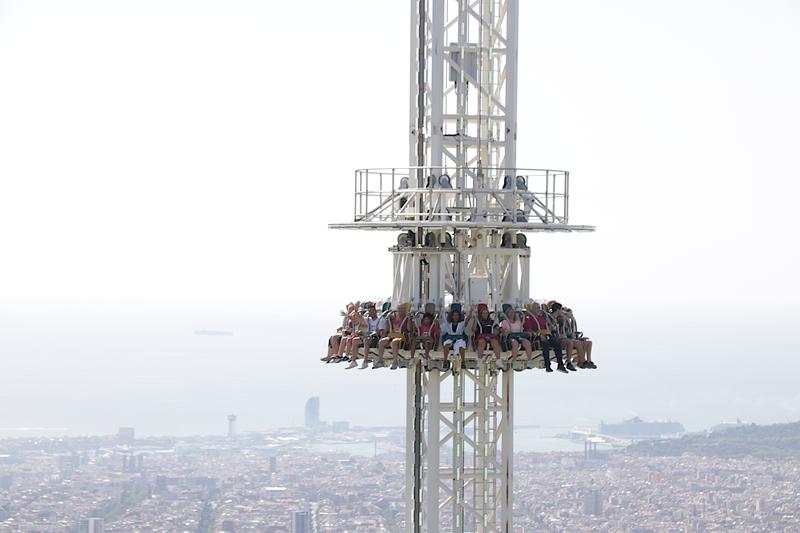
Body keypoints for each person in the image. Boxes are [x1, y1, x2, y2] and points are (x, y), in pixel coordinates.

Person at [529, 302, 569, 373]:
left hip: (546, 335)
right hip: (537, 337)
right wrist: (541, 332)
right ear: (533, 309)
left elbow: (547, 328)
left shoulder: (541, 318)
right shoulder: (529, 319)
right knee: (545, 344)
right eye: (537, 308)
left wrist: (552, 325)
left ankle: (560, 365)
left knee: (557, 344)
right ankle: (547, 365)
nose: (539, 309)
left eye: (539, 308)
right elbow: (530, 331)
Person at [378, 303, 412, 370]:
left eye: (402, 309)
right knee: (381, 341)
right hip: (392, 336)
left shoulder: (407, 318)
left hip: (401, 337)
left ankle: (395, 361)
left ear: (405, 310)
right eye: (399, 309)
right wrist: (387, 320)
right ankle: (380, 360)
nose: (400, 310)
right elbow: (388, 329)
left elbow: (409, 329)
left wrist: (409, 319)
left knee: (394, 342)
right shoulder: (394, 318)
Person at [499, 305, 533, 370]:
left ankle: (529, 360)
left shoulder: (518, 322)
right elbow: (502, 332)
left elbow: (521, 330)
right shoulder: (505, 322)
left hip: (518, 336)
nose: (512, 314)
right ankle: (514, 361)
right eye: (510, 312)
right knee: (515, 343)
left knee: (527, 342)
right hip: (510, 339)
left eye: (513, 312)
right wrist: (505, 332)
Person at [548, 301, 578, 372]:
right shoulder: (550, 317)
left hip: (559, 337)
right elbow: (549, 329)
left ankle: (576, 362)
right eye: (561, 309)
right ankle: (568, 362)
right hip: (553, 337)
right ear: (558, 310)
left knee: (574, 342)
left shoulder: (560, 318)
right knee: (569, 342)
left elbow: (562, 329)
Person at [441, 306, 469, 372]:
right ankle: (445, 360)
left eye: (457, 315)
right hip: (450, 338)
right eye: (454, 315)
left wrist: (470, 311)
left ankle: (463, 361)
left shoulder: (461, 324)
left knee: (461, 346)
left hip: (459, 338)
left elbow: (467, 319)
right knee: (446, 345)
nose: (455, 317)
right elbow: (441, 329)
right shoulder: (448, 324)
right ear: (452, 316)